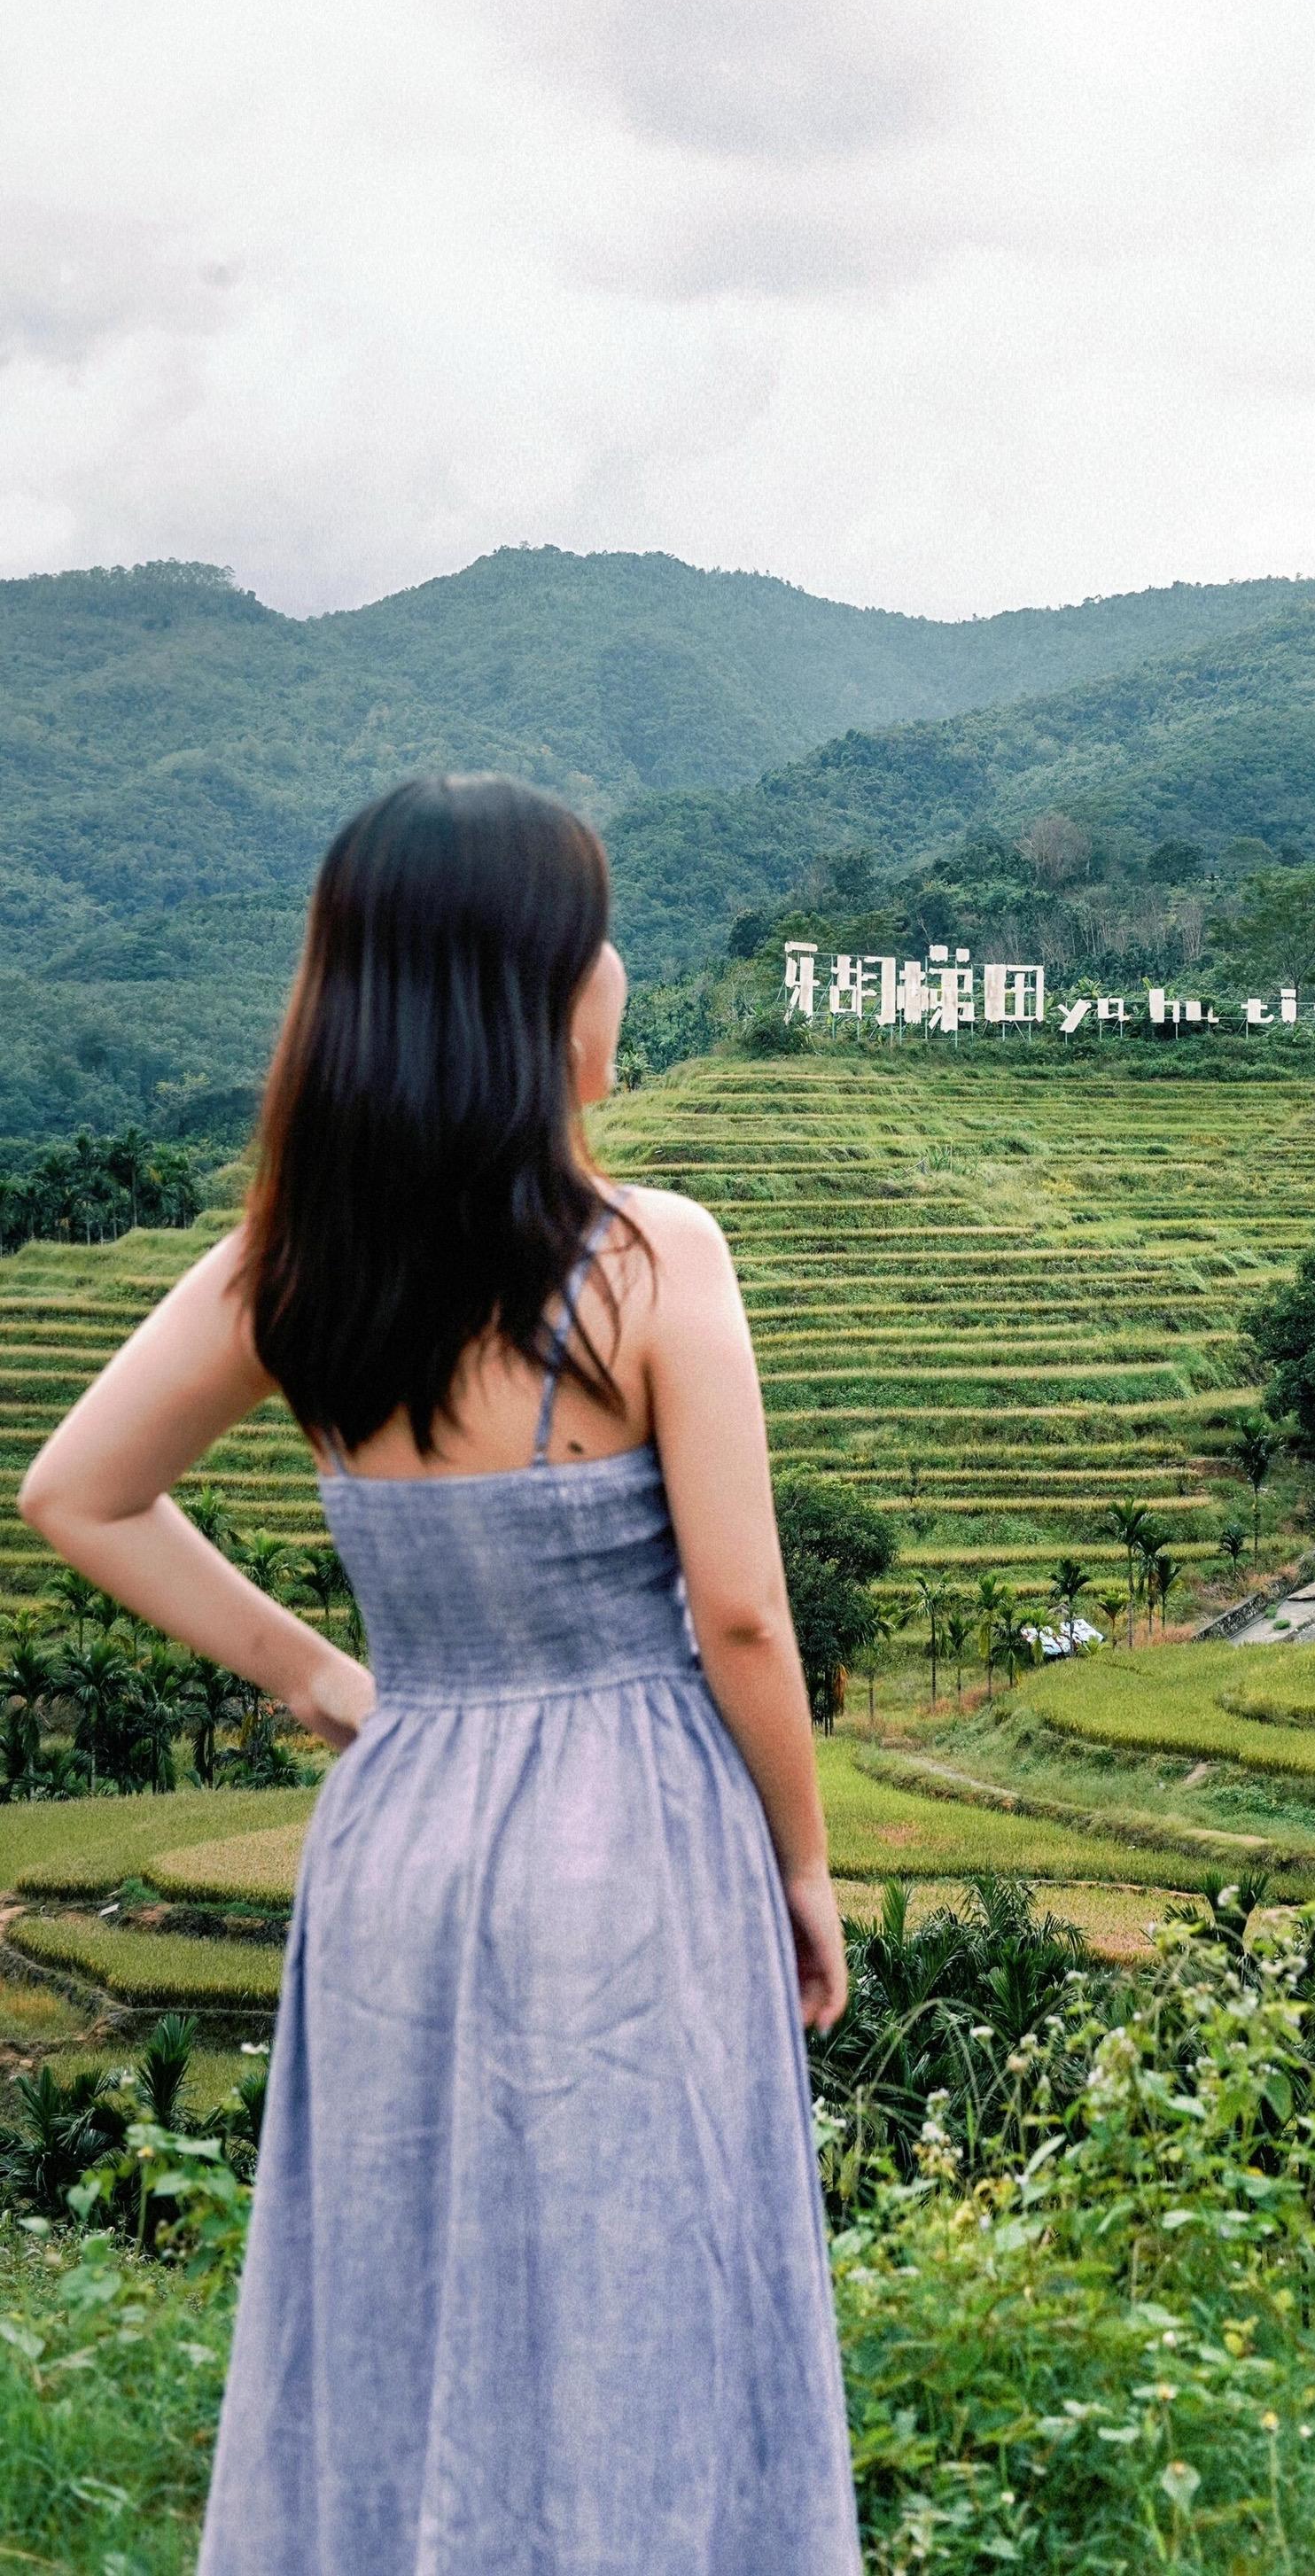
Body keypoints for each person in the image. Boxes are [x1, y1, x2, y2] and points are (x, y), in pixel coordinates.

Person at [19, 777, 861, 2576]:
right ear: (532, 991)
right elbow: (741, 1616)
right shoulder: (651, 1256)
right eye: (599, 943)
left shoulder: (288, 1268)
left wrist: (331, 1682)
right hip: (634, 1835)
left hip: (399, 1835)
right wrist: (802, 1860)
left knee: (404, 2291)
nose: (620, 976)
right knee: (645, 2290)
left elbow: (77, 1493)